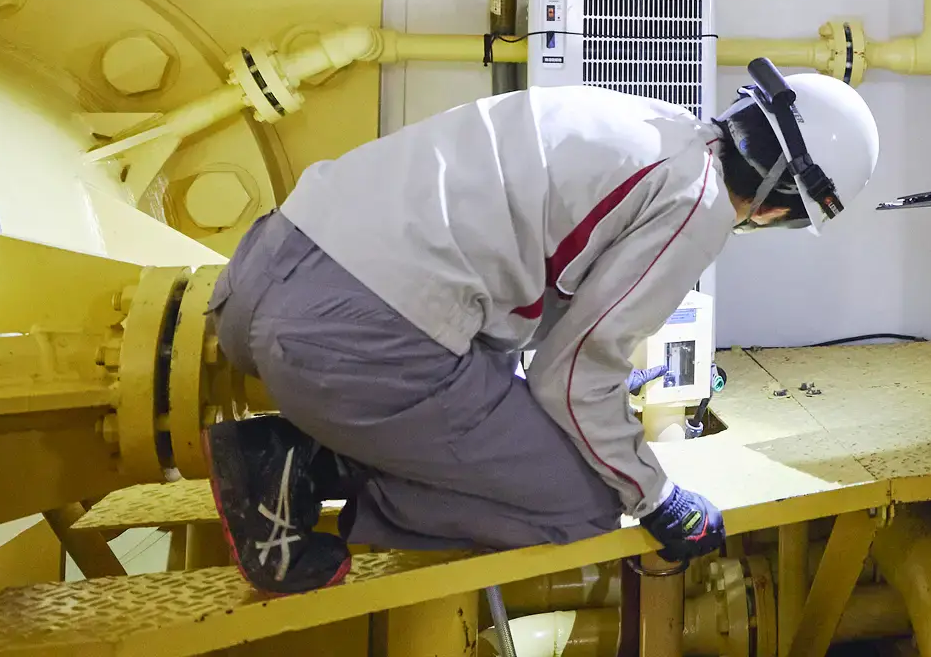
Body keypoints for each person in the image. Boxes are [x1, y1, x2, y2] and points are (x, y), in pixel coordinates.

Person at [201, 61, 879, 594]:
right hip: (349, 340)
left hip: (258, 275)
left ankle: (315, 451)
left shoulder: (647, 120)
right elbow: (572, 379)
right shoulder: (699, 205)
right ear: (780, 206)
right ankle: (309, 465)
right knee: (581, 502)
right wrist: (658, 498)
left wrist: (563, 374)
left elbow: (522, 287)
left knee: (512, 399)